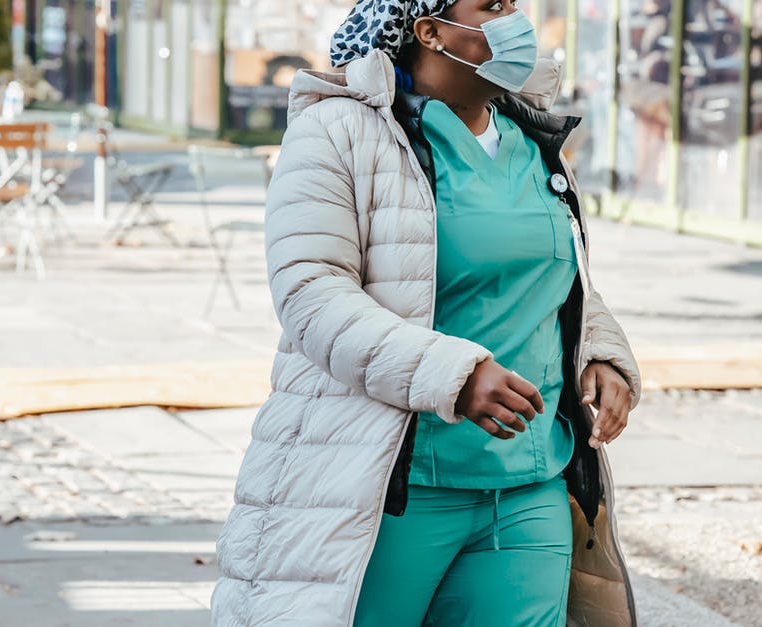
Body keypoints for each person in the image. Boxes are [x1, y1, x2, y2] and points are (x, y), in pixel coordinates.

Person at [212, 1, 642, 625]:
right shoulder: (339, 131)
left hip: (529, 481)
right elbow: (310, 292)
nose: (515, 19)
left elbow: (559, 277)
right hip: (388, 488)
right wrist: (454, 374)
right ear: (431, 31)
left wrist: (602, 353)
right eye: (492, 6)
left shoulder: (531, 139)